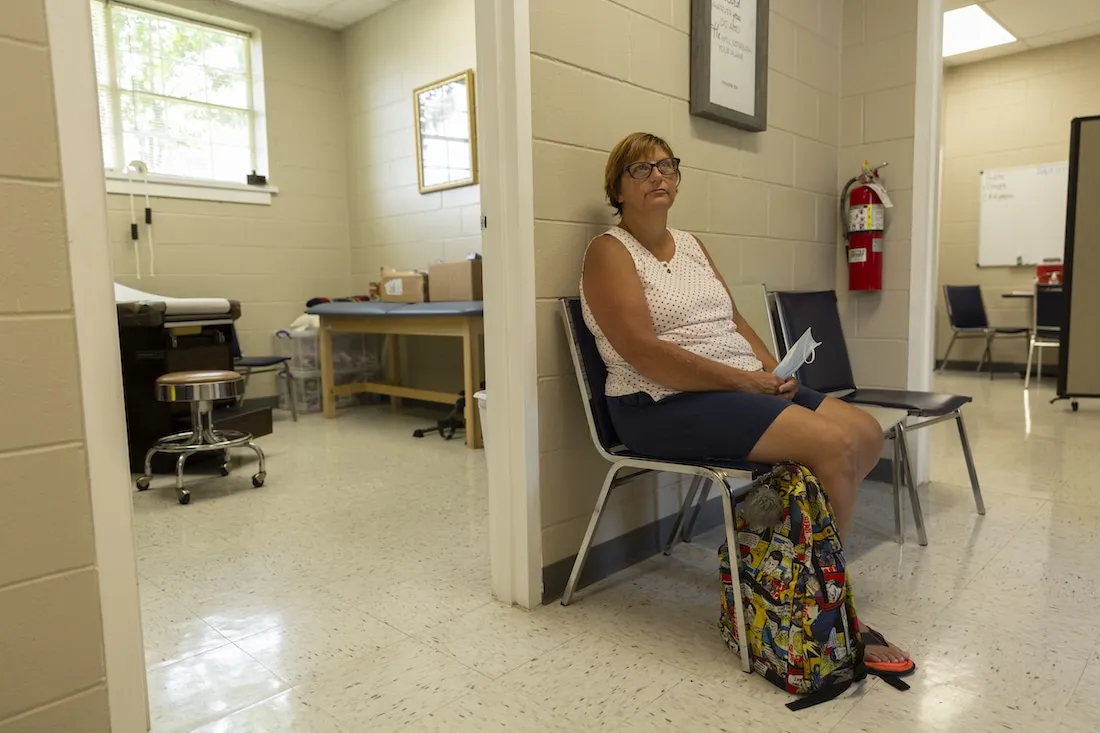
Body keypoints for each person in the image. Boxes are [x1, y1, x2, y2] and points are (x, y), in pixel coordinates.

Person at [580, 131, 911, 667]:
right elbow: (645, 353)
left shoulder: (689, 243)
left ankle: (783, 555)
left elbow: (730, 318)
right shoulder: (608, 252)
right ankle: (825, 605)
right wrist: (743, 382)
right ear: (616, 188)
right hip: (657, 403)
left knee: (866, 433)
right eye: (641, 170)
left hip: (732, 384)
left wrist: (768, 368)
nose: (658, 176)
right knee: (830, 446)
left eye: (667, 166)